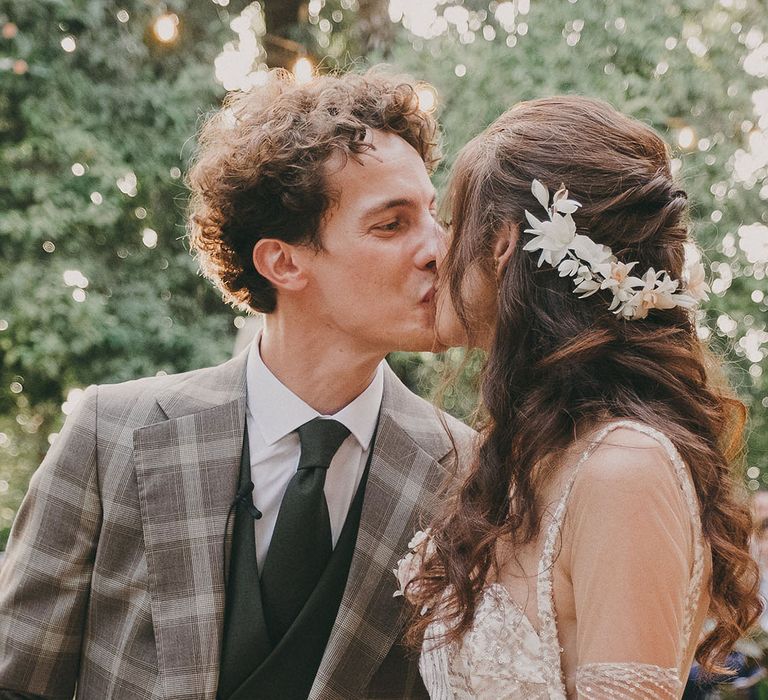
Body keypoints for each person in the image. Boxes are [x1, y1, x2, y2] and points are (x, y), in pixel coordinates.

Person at [0, 70, 474, 700]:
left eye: (432, 216)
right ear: (283, 261)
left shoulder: (468, 472)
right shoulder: (111, 434)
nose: (439, 250)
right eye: (391, 224)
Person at [396, 96, 761, 698]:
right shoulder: (525, 458)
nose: (437, 248)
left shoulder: (625, 471)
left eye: (454, 220)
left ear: (503, 245)